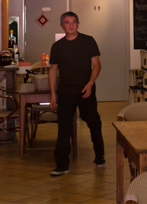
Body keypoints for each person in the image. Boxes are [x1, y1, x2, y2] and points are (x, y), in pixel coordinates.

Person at [49, 11, 104, 176]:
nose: (71, 25)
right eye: (67, 22)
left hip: (85, 90)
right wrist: (53, 94)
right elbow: (52, 71)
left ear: (78, 24)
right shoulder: (57, 46)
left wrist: (90, 83)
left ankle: (99, 156)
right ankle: (62, 164)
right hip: (65, 91)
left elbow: (97, 65)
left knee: (93, 122)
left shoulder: (88, 41)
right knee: (64, 127)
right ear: (62, 26)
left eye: (74, 22)